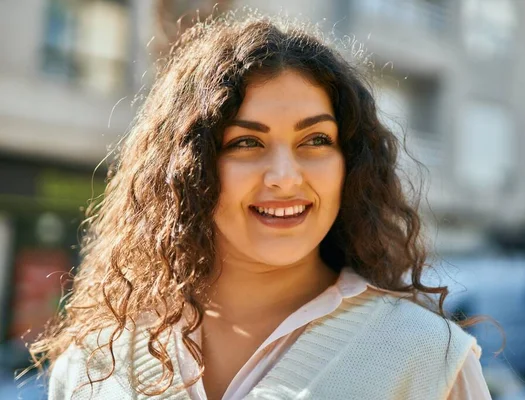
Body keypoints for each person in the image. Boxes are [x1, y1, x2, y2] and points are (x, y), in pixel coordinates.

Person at [31, 12, 492, 400]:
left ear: (349, 163)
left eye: (315, 140)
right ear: (191, 168)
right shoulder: (95, 364)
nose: (286, 177)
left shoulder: (427, 358)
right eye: (248, 142)